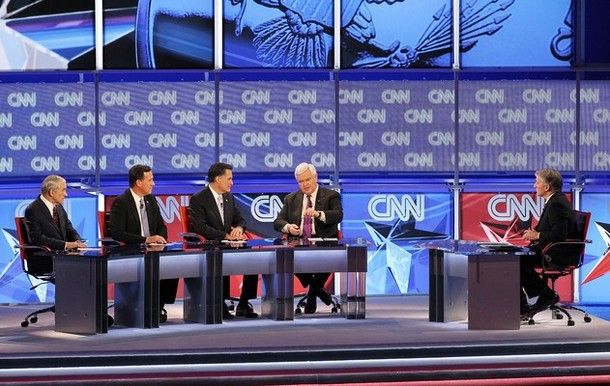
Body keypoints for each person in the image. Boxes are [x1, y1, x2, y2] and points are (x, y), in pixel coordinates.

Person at [110, 164, 178, 323]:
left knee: (173, 262)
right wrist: (146, 240)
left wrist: (160, 239)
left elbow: (161, 226)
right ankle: (146, 306)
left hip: (152, 250)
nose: (153, 183)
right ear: (139, 182)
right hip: (131, 250)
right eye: (150, 180)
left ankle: (158, 305)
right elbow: (117, 233)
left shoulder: (151, 200)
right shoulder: (121, 202)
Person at [189, 162, 259, 319]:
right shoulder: (199, 199)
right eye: (229, 179)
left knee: (254, 258)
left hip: (229, 245)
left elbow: (241, 220)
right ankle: (219, 304)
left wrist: (239, 229)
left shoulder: (229, 197)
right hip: (210, 245)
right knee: (219, 256)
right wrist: (225, 236)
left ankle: (243, 303)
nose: (232, 182)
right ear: (218, 179)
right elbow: (200, 228)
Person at [273, 162, 343, 314]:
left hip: (324, 242)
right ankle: (319, 290)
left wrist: (319, 214)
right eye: (301, 181)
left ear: (315, 177)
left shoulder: (331, 195)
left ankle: (312, 295)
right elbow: (278, 222)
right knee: (286, 257)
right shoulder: (291, 199)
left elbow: (338, 215)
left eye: (308, 180)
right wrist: (289, 227)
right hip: (299, 243)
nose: (304, 184)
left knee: (328, 258)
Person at [521, 168, 576, 316]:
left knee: (516, 262)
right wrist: (532, 234)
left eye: (537, 182)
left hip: (556, 254)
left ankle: (544, 296)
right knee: (517, 259)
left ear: (547, 187)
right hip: (549, 249)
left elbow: (559, 235)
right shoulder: (554, 200)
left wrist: (537, 235)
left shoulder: (556, 204)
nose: (534, 185)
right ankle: (532, 302)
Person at [24, 175, 87, 275]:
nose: (66, 194)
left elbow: (69, 228)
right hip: (45, 259)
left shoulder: (59, 208)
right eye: (63, 190)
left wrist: (77, 241)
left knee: (90, 268)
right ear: (52, 192)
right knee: (86, 272)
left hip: (62, 257)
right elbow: (38, 238)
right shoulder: (33, 210)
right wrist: (66, 245)